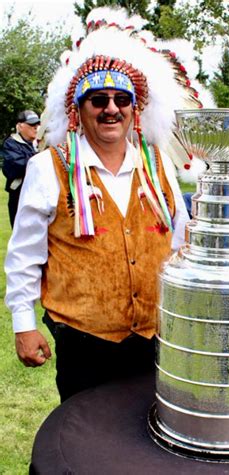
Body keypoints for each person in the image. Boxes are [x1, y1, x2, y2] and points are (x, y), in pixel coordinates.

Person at [4, 7, 211, 402]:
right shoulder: (47, 168)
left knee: (150, 438)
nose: (111, 108)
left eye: (121, 99)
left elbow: (180, 245)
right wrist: (24, 325)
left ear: (135, 109)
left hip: (155, 336)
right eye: (98, 99)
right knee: (86, 445)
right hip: (83, 341)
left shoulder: (158, 165)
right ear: (79, 110)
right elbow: (24, 257)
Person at [1, 110, 41, 227]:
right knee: (21, 235)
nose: (36, 128)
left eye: (37, 124)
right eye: (31, 124)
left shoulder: (39, 144)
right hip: (20, 196)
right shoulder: (11, 143)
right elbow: (21, 165)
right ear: (20, 126)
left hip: (38, 193)